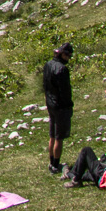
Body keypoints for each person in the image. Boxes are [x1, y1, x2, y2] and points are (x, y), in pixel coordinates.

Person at [42, 42, 73, 175]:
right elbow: (65, 91)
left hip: (50, 103)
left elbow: (45, 85)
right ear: (62, 54)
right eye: (68, 55)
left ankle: (51, 162)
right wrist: (69, 105)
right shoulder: (62, 69)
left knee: (52, 134)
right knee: (59, 137)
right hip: (61, 106)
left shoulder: (48, 65)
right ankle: (56, 164)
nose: (69, 58)